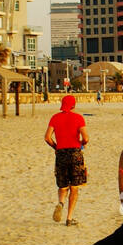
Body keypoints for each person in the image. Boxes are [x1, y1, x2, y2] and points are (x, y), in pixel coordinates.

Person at [45, 94, 88, 226]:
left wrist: (56, 147)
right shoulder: (78, 118)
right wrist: (81, 143)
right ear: (74, 105)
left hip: (61, 154)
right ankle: (69, 218)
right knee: (74, 187)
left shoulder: (55, 118)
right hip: (75, 153)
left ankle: (61, 202)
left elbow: (47, 137)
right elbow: (86, 138)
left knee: (63, 185)